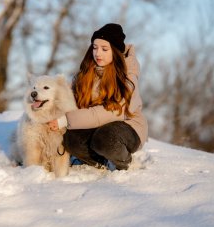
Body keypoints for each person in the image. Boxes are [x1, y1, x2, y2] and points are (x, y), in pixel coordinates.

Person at [48, 23, 148, 170]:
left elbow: (113, 111)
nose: (98, 53)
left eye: (104, 49)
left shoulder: (127, 76)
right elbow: (68, 97)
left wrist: (66, 119)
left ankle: (125, 162)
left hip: (127, 127)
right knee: (70, 138)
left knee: (106, 138)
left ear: (115, 51)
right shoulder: (86, 73)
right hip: (97, 128)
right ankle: (99, 163)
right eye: (95, 48)